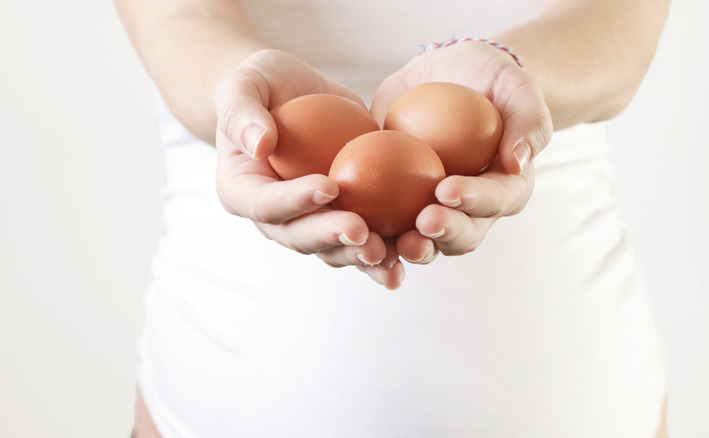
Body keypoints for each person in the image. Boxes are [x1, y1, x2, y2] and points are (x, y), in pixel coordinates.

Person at [115, 0, 672, 436]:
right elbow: (181, 19)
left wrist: (509, 77)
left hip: (581, 398)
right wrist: (240, 92)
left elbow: (621, 26)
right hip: (216, 397)